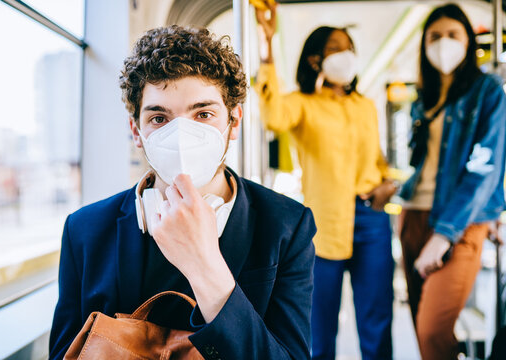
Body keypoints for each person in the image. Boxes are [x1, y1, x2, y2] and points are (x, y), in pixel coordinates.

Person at [49, 25, 317, 360]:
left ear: (233, 122)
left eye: (203, 114)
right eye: (160, 118)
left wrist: (204, 264)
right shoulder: (85, 230)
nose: (181, 135)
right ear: (136, 130)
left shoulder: (286, 226)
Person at [255, 5, 396, 360]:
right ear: (316, 59)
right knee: (318, 328)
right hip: (324, 222)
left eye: (349, 47)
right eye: (336, 47)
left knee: (377, 320)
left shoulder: (365, 106)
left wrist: (386, 184)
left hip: (371, 217)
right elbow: (272, 116)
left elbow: (377, 161)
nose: (346, 54)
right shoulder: (303, 105)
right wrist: (267, 45)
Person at [399, 4, 506, 360]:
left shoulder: (487, 93)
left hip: (460, 223)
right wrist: (395, 188)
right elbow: (424, 167)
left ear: (468, 42)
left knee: (433, 331)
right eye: (434, 36)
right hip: (413, 216)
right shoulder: (424, 99)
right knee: (421, 331)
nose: (443, 44)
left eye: (452, 35)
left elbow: (484, 167)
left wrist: (444, 234)